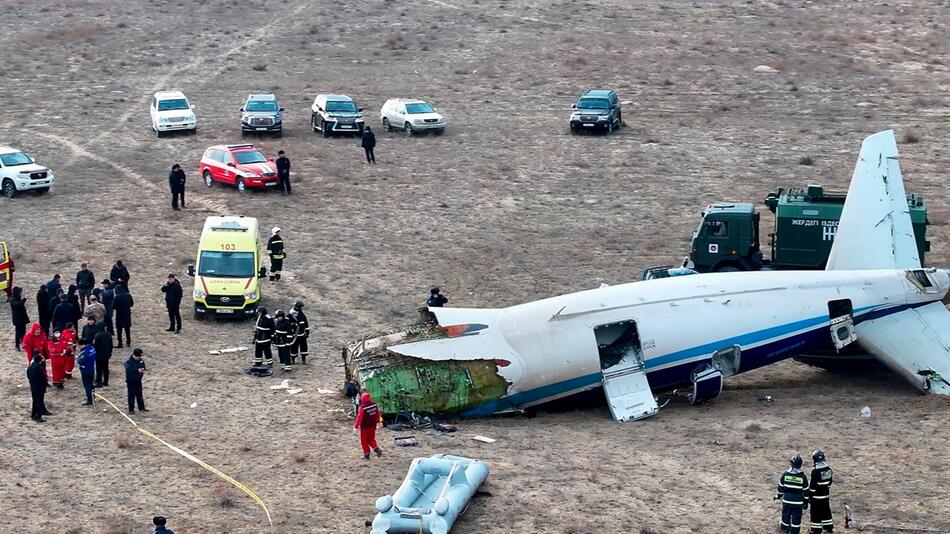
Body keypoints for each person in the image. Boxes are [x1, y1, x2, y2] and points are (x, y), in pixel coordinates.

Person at [776, 454, 809, 534]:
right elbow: (806, 491)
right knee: (796, 521)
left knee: (785, 517)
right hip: (798, 503)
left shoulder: (785, 475)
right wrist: (805, 502)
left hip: (787, 501)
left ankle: (784, 530)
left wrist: (779, 496)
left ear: (791, 464)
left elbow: (780, 488)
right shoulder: (803, 477)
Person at [808, 450, 834, 533]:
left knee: (815, 514)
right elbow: (829, 483)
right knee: (826, 511)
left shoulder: (815, 472)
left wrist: (809, 496)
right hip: (825, 496)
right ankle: (828, 527)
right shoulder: (829, 470)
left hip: (816, 498)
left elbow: (812, 488)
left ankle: (816, 530)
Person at [353, 392, 383, 460]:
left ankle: (366, 455)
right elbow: (377, 414)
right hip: (373, 426)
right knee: (371, 439)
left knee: (364, 441)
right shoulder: (374, 405)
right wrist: (378, 422)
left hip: (365, 427)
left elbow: (359, 418)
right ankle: (377, 449)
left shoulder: (362, 407)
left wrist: (356, 426)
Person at [28, 351, 51, 422]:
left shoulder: (30, 366)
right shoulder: (39, 368)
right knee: (39, 401)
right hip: (39, 387)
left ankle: (33, 414)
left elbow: (28, 375)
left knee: (34, 401)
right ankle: (38, 416)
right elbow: (43, 378)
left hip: (33, 386)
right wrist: (44, 384)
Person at [124, 348, 147, 414]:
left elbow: (143, 365)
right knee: (131, 395)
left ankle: (141, 407)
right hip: (131, 381)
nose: (140, 358)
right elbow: (129, 372)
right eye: (138, 356)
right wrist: (137, 370)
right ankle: (131, 409)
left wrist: (143, 369)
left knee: (139, 394)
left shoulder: (141, 360)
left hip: (138, 380)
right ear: (135, 355)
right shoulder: (128, 362)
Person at [113, 284, 134, 348]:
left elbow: (113, 306)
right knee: (127, 329)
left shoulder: (117, 297)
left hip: (119, 315)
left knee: (119, 330)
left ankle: (120, 343)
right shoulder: (128, 295)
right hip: (127, 314)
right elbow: (132, 304)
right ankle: (128, 342)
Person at [290, 300, 310, 364]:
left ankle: (303, 360)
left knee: (304, 347)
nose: (301, 308)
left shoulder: (302, 315)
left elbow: (306, 324)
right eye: (301, 307)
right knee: (294, 348)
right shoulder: (290, 315)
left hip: (302, 335)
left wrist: (307, 332)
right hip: (294, 335)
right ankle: (292, 360)